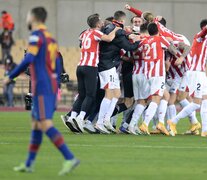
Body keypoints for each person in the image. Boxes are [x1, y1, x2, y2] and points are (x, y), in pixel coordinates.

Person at [4, 7, 79, 175]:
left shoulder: (36, 36)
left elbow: (28, 59)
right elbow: (57, 63)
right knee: (36, 125)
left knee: (45, 123)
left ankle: (69, 158)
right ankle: (29, 163)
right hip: (50, 84)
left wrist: (10, 76)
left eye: (28, 15)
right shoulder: (50, 38)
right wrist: (56, 82)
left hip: (43, 86)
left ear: (33, 17)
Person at [65, 13, 120, 133]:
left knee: (82, 94)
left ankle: (73, 116)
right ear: (98, 24)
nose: (102, 23)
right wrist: (116, 29)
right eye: (100, 21)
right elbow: (109, 38)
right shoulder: (96, 33)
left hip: (80, 66)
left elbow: (80, 39)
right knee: (90, 95)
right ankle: (80, 118)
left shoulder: (85, 33)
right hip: (90, 67)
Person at [95, 11, 140, 133]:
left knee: (116, 93)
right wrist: (137, 40)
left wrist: (128, 34)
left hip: (107, 64)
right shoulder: (118, 30)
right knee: (109, 94)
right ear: (123, 20)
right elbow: (130, 48)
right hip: (107, 65)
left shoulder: (108, 27)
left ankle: (106, 120)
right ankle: (100, 122)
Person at [137, 23, 179, 135]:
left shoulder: (144, 41)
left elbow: (139, 51)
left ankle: (160, 123)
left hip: (148, 73)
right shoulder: (160, 39)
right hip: (158, 73)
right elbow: (171, 45)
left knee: (166, 96)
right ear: (158, 30)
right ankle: (145, 123)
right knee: (156, 99)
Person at [168, 20, 207, 136]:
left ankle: (205, 130)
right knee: (197, 103)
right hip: (195, 73)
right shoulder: (199, 37)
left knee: (204, 101)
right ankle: (173, 121)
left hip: (200, 73)